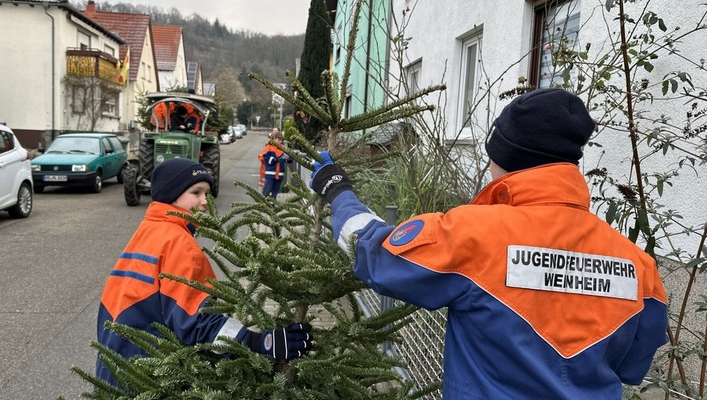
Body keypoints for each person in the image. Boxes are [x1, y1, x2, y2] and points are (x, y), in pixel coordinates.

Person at [309, 88, 669, 399]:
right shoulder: (640, 268)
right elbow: (631, 365)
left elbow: (376, 253)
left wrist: (338, 192)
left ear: (507, 158)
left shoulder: (473, 235)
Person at [96, 158, 312, 386]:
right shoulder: (179, 243)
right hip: (149, 374)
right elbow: (197, 321)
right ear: (172, 194)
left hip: (113, 366)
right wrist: (260, 342)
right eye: (196, 192)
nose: (204, 202)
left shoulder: (149, 229)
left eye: (207, 193)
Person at [259, 130, 292, 199]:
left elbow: (289, 160)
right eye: (277, 139)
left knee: (275, 191)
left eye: (280, 140)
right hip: (270, 173)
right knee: (267, 189)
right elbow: (266, 158)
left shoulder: (283, 149)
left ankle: (272, 203)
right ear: (273, 139)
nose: (278, 141)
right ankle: (264, 203)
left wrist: (286, 159)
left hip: (280, 174)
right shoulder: (269, 148)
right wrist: (276, 159)